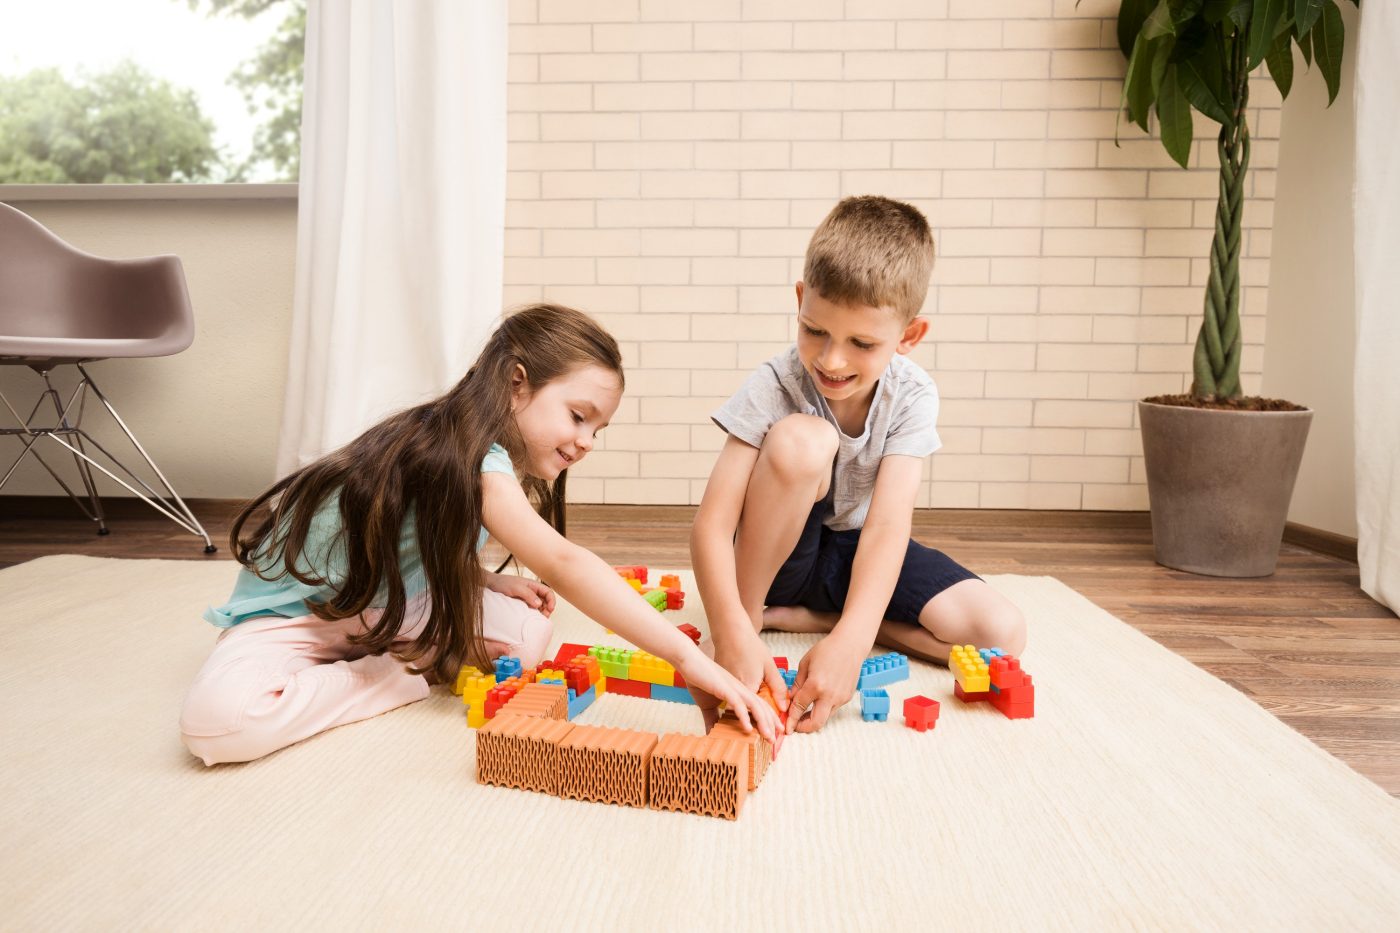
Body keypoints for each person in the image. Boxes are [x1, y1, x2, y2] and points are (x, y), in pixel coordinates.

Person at [180, 304, 781, 765]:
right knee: (218, 723)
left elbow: (410, 537)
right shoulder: (459, 451)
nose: (587, 442)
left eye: (599, 428)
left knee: (527, 631)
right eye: (578, 416)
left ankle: (400, 652)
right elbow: (566, 563)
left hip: (389, 602)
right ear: (517, 383)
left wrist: (479, 577)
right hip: (300, 615)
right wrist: (685, 659)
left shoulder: (489, 456)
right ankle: (396, 673)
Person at [690, 196, 1027, 735]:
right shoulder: (775, 383)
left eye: (862, 343)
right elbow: (712, 522)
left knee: (1002, 632)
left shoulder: (912, 394)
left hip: (855, 555)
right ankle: (756, 615)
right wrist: (730, 626)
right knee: (804, 441)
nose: (831, 360)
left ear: (909, 337)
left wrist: (850, 638)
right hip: (779, 559)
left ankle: (824, 621)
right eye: (815, 330)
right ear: (801, 300)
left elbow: (889, 526)